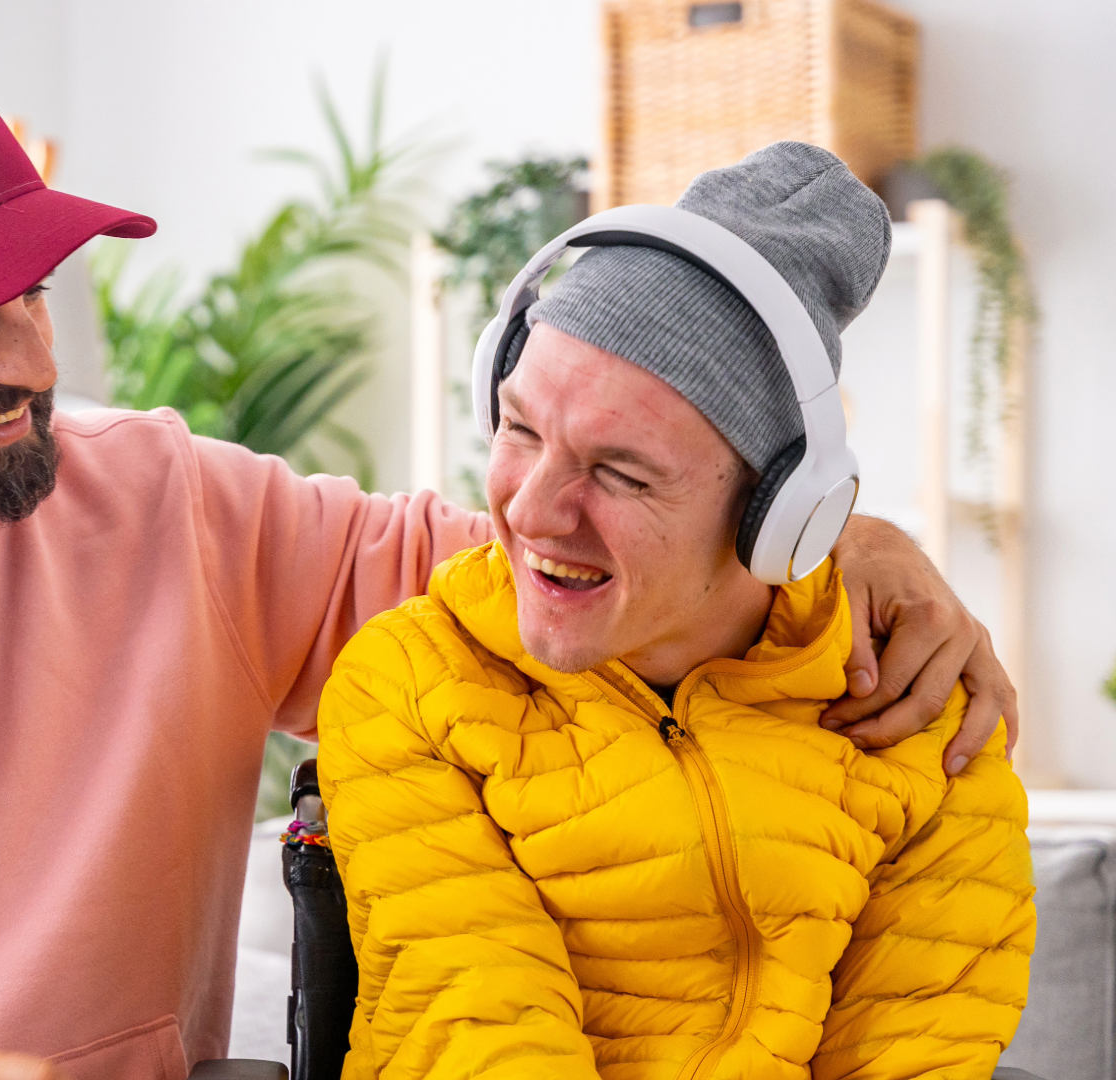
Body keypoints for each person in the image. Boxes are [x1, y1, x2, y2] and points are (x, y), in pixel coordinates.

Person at [0, 64, 1012, 1080]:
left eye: (33, 295)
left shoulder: (169, 508)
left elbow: (559, 581)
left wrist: (835, 540)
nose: (26, 360)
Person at [316, 143, 1035, 1080]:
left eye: (620, 472)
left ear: (782, 511)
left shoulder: (921, 712)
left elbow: (922, 1053)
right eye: (519, 428)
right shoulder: (410, 686)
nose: (530, 511)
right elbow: (479, 1036)